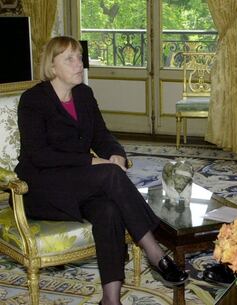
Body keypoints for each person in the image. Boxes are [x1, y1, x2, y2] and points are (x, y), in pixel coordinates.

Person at [15, 36, 188, 305]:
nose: (78, 64)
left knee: (108, 209)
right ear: (52, 66)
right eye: (69, 59)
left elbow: (102, 135)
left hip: (79, 184)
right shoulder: (33, 100)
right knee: (108, 174)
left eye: (80, 57)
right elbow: (39, 155)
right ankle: (156, 252)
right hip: (42, 189)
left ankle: (111, 298)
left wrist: (115, 154)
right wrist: (91, 162)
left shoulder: (84, 94)